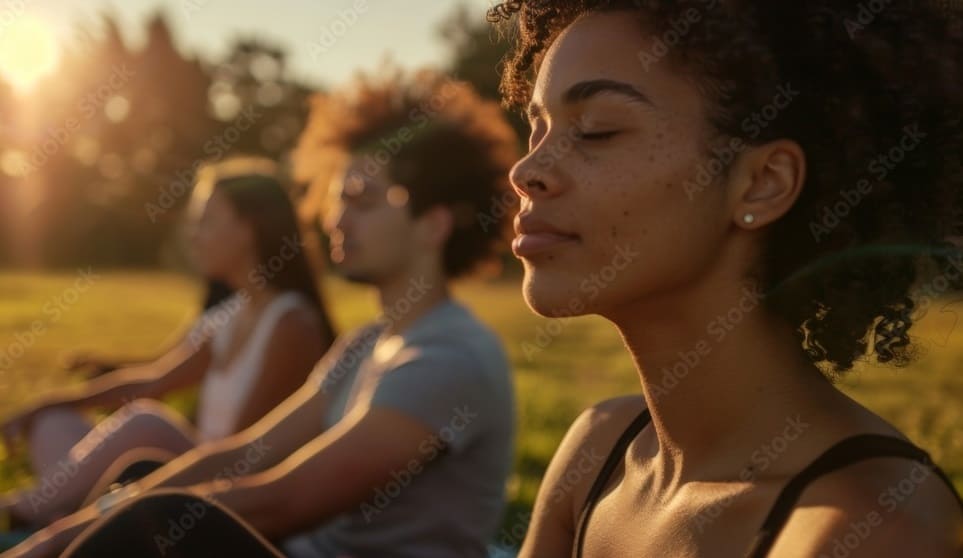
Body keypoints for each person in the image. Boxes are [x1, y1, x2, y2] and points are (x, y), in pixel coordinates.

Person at [483, 1, 963, 556]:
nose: (526, 171)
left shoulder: (870, 527)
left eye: (596, 130)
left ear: (762, 182)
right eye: (537, 129)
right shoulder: (597, 452)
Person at [2, 69, 519, 558]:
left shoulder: (447, 355)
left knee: (163, 514)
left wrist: (83, 528)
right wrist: (87, 519)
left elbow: (282, 502)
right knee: (145, 471)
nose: (337, 218)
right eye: (339, 197)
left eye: (362, 199)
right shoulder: (365, 345)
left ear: (433, 224)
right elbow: (245, 451)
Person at [0, 157, 335, 529]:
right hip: (172, 468)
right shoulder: (231, 314)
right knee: (54, 422)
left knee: (146, 423)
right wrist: (47, 404)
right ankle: (67, 516)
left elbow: (244, 454)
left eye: (206, 220)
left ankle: (25, 512)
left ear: (247, 228)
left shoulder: (291, 323)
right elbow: (153, 379)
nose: (193, 234)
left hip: (216, 486)